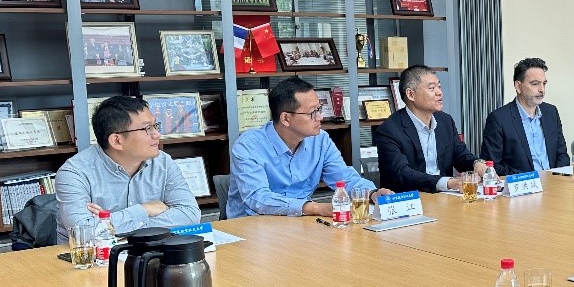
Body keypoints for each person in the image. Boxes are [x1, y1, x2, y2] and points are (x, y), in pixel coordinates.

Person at [226, 77, 380, 218]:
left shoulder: (320, 140)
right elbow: (258, 198)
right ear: (286, 118)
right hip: (251, 227)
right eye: (313, 112)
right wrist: (314, 208)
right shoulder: (248, 146)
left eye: (319, 109)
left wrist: (373, 193)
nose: (320, 117)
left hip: (299, 223)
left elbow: (344, 178)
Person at [55, 95, 200, 243]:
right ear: (117, 141)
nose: (157, 134)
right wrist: (144, 210)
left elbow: (190, 215)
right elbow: (84, 233)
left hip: (149, 251)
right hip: (91, 256)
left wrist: (110, 224)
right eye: (147, 128)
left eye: (155, 125)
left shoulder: (163, 162)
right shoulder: (74, 173)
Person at [374, 65, 486, 193]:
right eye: (432, 88)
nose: (439, 93)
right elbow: (402, 174)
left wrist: (476, 164)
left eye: (439, 87)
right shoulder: (389, 130)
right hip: (411, 199)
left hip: (445, 198)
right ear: (411, 94)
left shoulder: (445, 121)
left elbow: (460, 156)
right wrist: (448, 183)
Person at [481, 57, 571, 175]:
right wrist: (531, 178)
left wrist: (555, 178)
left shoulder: (551, 112)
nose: (541, 90)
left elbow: (562, 155)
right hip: (522, 184)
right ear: (518, 86)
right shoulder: (499, 119)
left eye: (544, 83)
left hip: (554, 182)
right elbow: (491, 167)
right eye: (535, 84)